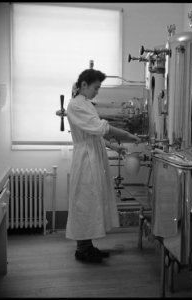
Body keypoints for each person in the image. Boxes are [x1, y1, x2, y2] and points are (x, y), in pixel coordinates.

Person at [65, 69, 141, 263]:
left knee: (91, 202)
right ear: (83, 85)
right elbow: (102, 128)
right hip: (85, 160)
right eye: (96, 87)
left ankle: (88, 247)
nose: (97, 91)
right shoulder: (75, 105)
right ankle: (82, 250)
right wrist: (127, 135)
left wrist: (114, 146)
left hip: (93, 156)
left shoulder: (85, 104)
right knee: (85, 202)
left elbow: (95, 135)